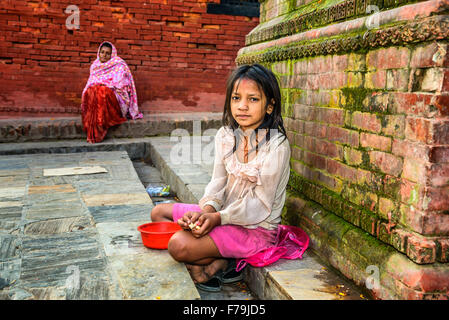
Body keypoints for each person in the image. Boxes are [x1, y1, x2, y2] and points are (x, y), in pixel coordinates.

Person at [151, 64, 309, 292]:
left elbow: (260, 205)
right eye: (236, 98)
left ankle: (218, 262)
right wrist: (204, 213)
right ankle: (218, 261)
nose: (242, 106)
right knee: (159, 212)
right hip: (222, 215)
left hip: (255, 229)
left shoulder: (277, 146)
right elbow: (217, 183)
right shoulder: (225, 135)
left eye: (253, 99)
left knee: (177, 245)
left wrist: (217, 219)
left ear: (269, 106)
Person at [81, 41, 143, 143]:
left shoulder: (119, 65)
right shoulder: (95, 66)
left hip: (115, 98)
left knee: (101, 91)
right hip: (98, 94)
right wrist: (97, 86)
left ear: (112, 54)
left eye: (107, 53)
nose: (104, 55)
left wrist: (103, 85)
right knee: (91, 91)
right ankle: (92, 131)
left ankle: (99, 131)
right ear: (99, 53)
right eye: (102, 52)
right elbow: (90, 83)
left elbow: (119, 84)